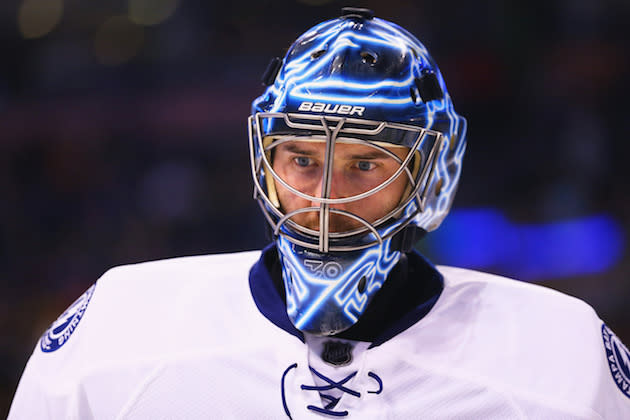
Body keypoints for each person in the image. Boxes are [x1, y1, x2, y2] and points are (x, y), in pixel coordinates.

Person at [9, 8, 630, 419]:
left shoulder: (559, 362)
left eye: (365, 165)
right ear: (264, 160)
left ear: (430, 174)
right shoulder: (119, 335)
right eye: (302, 158)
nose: (326, 198)